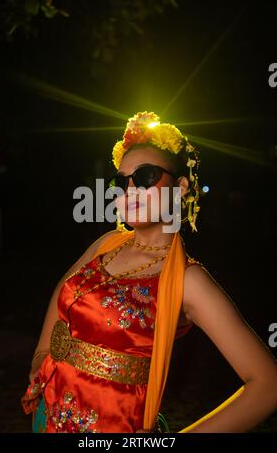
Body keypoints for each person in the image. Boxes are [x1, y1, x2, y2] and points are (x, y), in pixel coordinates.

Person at [21, 112, 277, 433]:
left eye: (145, 176)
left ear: (180, 187)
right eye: (122, 180)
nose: (130, 189)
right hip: (48, 413)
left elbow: (268, 385)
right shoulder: (106, 243)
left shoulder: (189, 281)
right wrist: (41, 355)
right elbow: (64, 289)